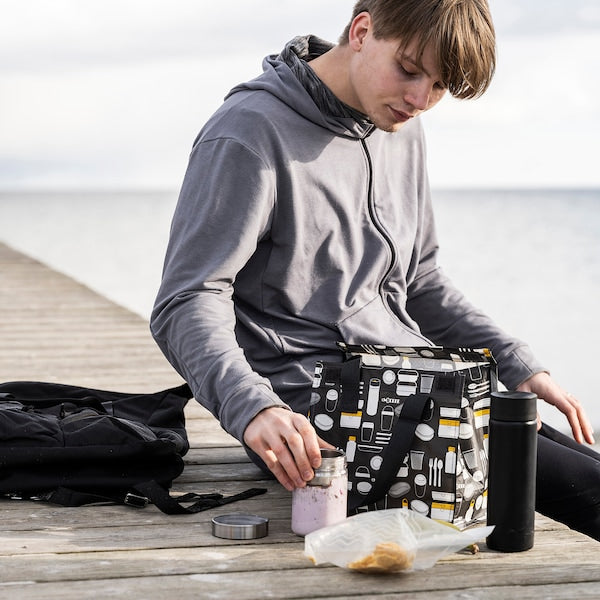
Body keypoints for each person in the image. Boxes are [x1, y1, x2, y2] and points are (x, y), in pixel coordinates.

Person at [151, 0, 600, 540]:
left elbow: (421, 282)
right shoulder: (248, 134)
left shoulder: (400, 126)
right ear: (361, 31)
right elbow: (187, 299)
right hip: (312, 413)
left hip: (413, 383)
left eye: (439, 86)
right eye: (410, 70)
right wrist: (252, 408)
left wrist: (519, 364)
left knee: (565, 453)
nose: (420, 99)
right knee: (587, 490)